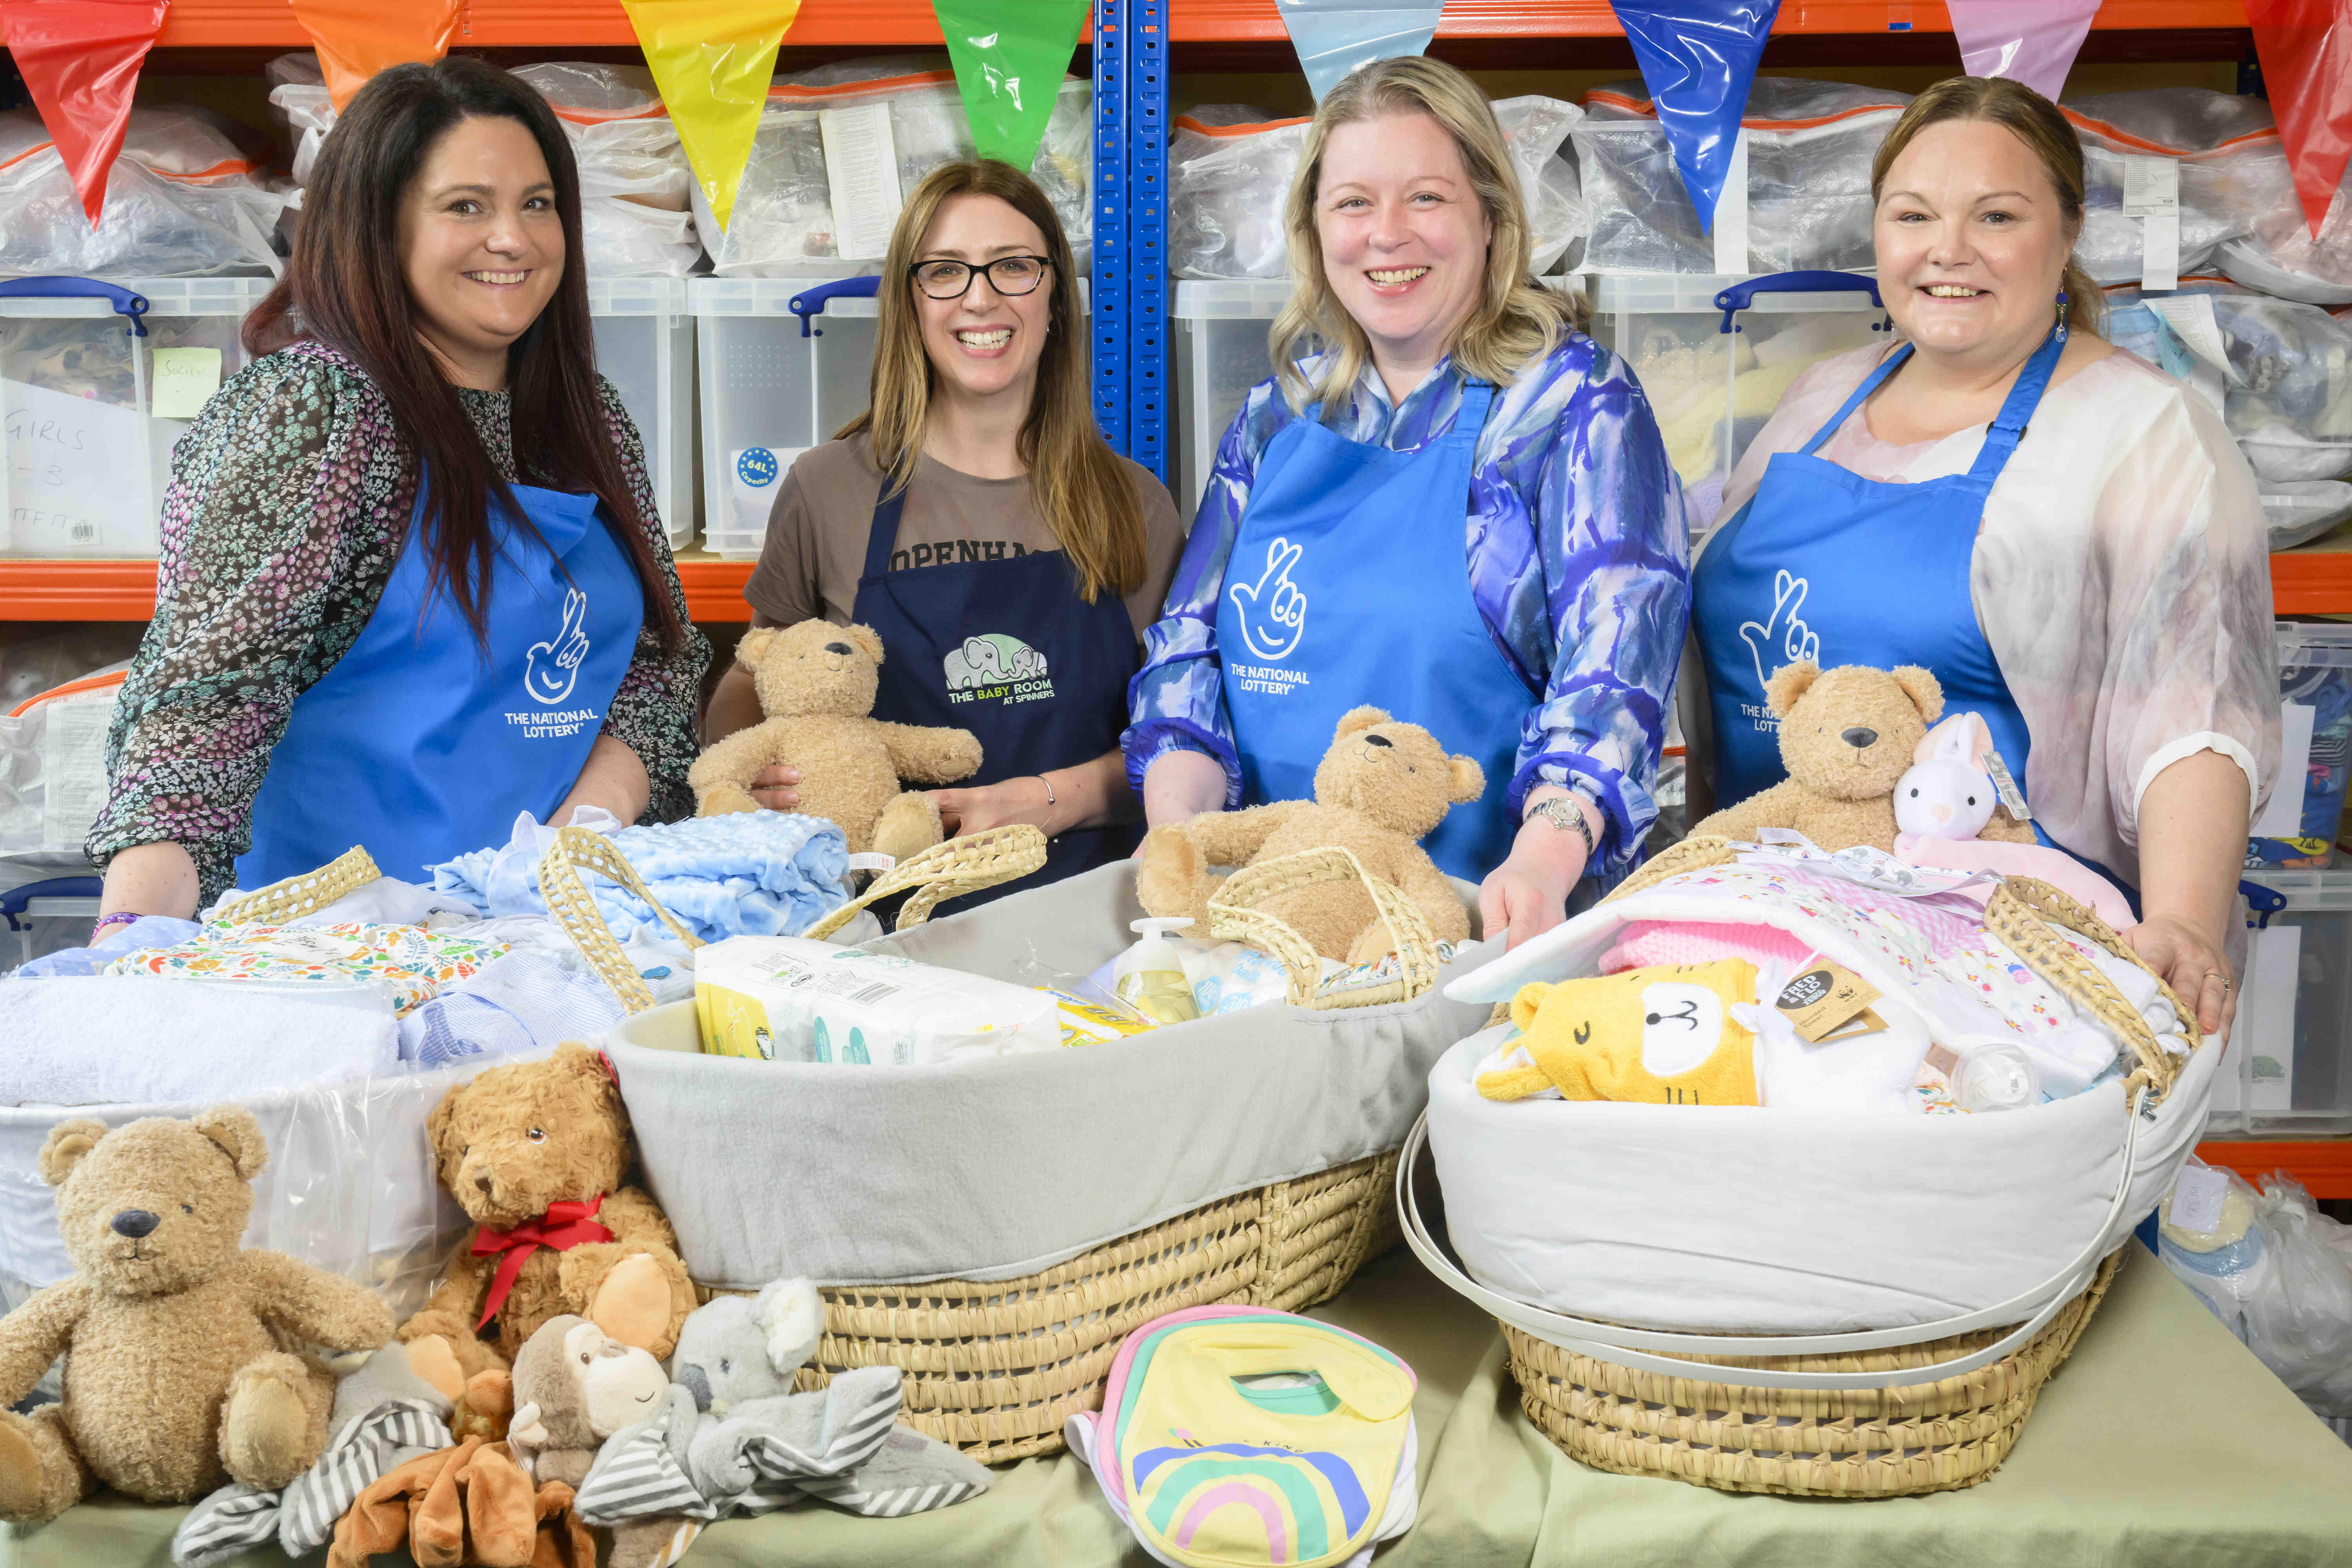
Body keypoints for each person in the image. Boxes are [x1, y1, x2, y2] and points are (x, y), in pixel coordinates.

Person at [1688, 76, 2277, 1038]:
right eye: (1912, 214)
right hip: (1762, 948)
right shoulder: (1818, 399)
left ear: (2068, 230)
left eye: (1996, 215)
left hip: (1999, 974)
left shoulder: (2143, 431)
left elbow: (2194, 705)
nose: (1946, 251)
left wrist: (2181, 920)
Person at [86, 59, 708, 924]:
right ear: (378, 227)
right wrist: (132, 945)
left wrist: (562, 854)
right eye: (466, 206)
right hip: (338, 953)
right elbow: (203, 708)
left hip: (556, 932)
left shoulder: (585, 416)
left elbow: (658, 669)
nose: (515, 240)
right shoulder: (313, 411)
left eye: (538, 203)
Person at [1125, 56, 1688, 950]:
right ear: (1315, 229)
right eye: (1353, 203)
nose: (1387, 235)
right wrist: (1179, 840)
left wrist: (1540, 868)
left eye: (1425, 198)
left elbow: (1613, 682)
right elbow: (1187, 663)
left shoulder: (1572, 406)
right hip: (1267, 928)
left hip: (1486, 928)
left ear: (1492, 220)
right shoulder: (1279, 419)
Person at [704, 160, 1184, 899]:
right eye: (946, 272)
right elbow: (752, 676)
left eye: (1014, 267)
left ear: (1055, 294)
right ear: (911, 302)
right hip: (882, 922)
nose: (981, 298)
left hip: (1089, 914)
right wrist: (758, 773)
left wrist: (1044, 800)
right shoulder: (826, 489)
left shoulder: (1134, 505)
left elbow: (1179, 750)